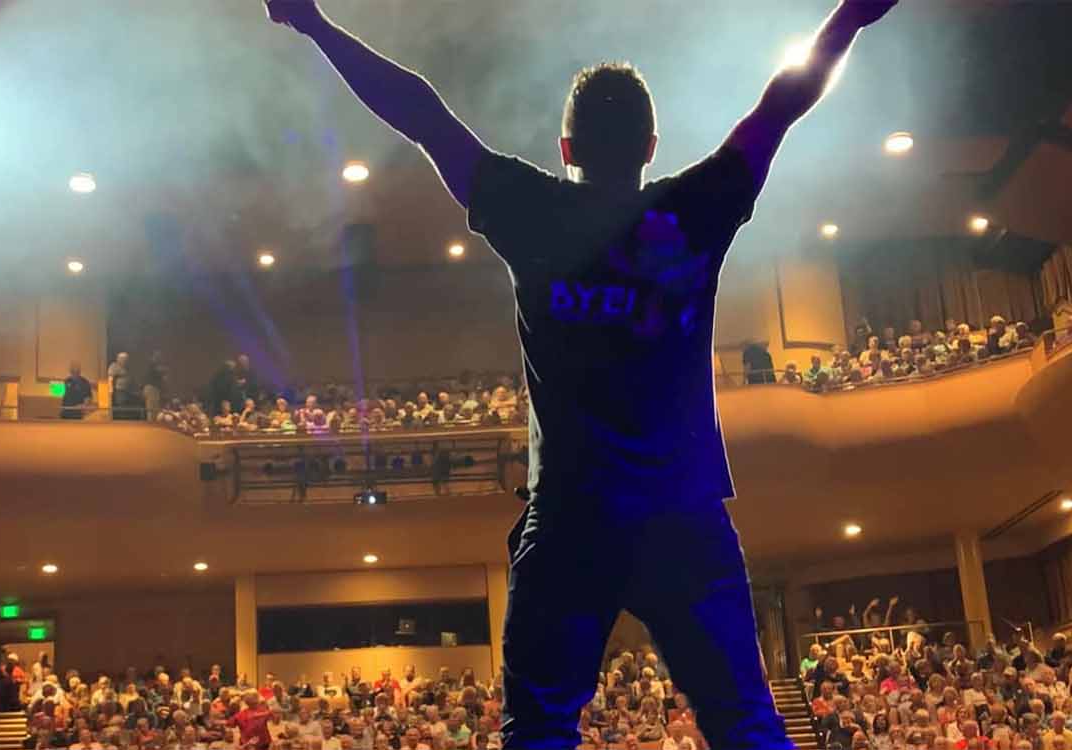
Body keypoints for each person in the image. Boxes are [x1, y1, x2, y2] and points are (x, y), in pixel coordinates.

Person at [263, 3, 897, 750]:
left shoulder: (531, 211)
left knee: (537, 730)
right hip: (683, 515)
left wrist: (316, 24)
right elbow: (782, 102)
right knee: (746, 724)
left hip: (572, 518)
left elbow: (421, 112)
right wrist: (849, 18)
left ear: (567, 147)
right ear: (651, 147)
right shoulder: (696, 208)